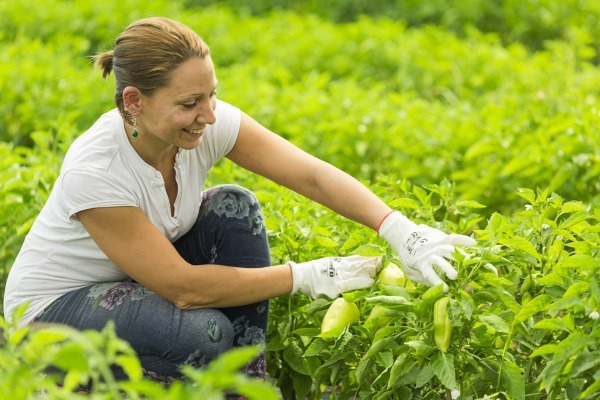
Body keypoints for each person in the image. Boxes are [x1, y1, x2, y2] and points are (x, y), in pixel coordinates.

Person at [3, 17, 476, 386]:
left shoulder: (202, 124)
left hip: (136, 280)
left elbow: (309, 174)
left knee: (234, 205)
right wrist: (309, 276)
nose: (208, 115)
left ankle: (245, 383)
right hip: (52, 313)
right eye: (189, 103)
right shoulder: (96, 172)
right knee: (200, 334)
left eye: (212, 95)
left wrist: (398, 228)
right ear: (133, 102)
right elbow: (185, 288)